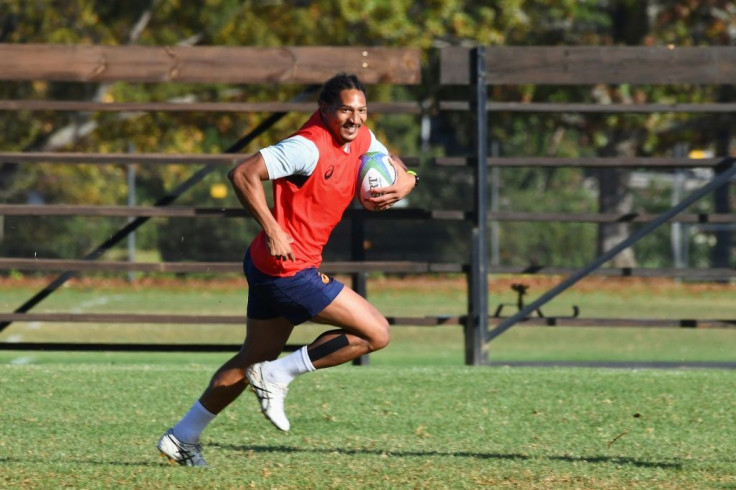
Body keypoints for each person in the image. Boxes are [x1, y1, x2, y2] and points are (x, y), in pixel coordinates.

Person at [157, 73, 418, 466]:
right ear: (325, 109)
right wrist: (274, 228)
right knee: (375, 333)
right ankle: (279, 375)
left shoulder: (362, 139)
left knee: (252, 357)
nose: (355, 118)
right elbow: (243, 174)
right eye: (346, 110)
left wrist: (407, 184)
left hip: (268, 264)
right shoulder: (306, 146)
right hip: (288, 268)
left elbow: (393, 163)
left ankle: (182, 436)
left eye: (362, 110)